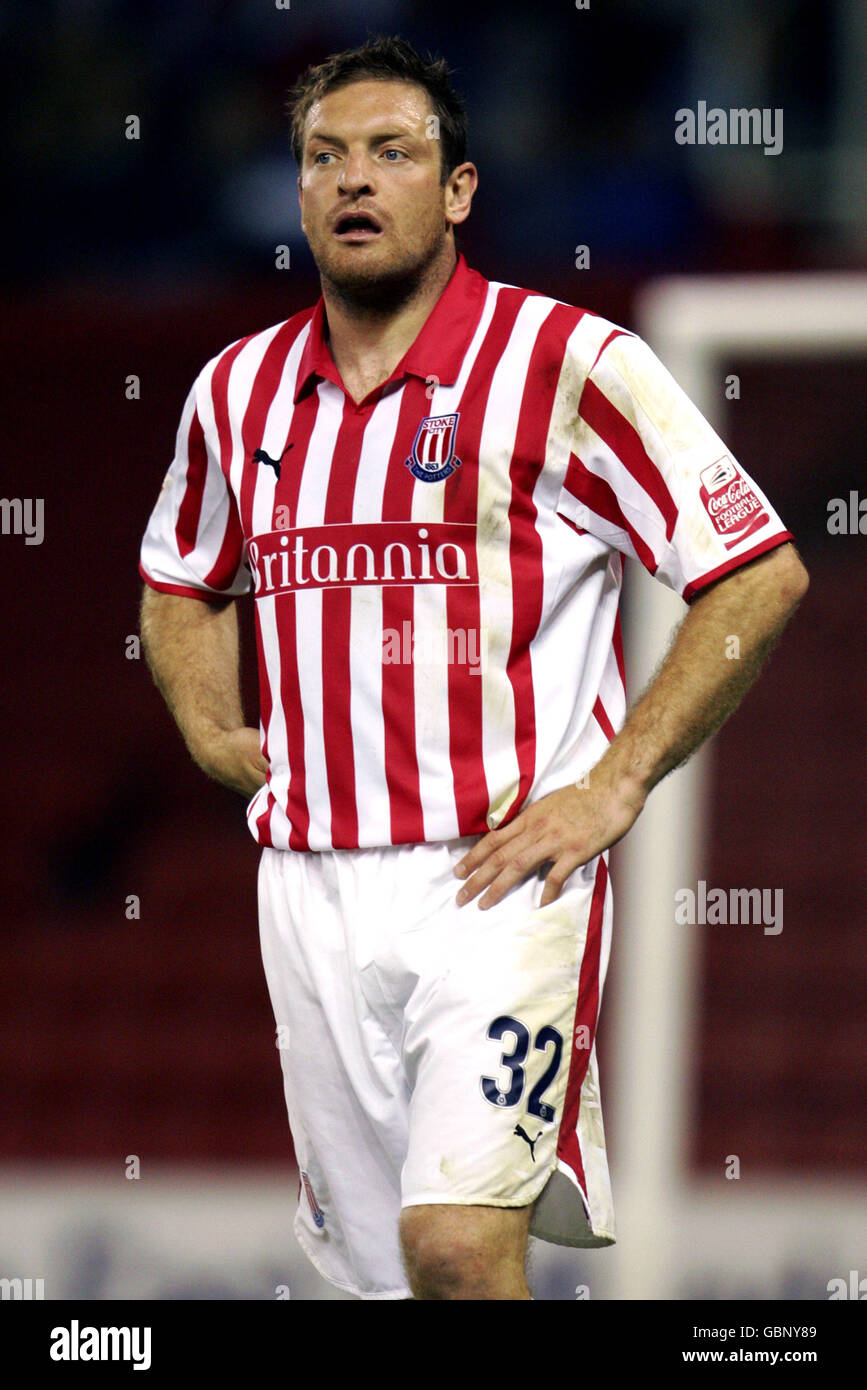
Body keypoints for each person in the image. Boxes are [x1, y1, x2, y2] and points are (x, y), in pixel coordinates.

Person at [138, 36, 809, 1301]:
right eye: (325, 156)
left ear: (458, 191)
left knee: (455, 1248)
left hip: (501, 879)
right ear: (297, 195)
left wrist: (615, 787)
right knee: (380, 1280)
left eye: (393, 153)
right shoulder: (235, 394)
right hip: (310, 889)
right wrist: (211, 730)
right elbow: (182, 573)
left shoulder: (570, 364)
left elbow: (758, 569)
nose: (355, 180)